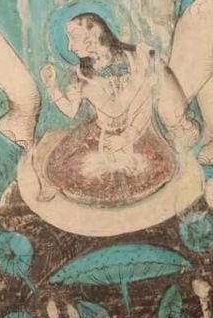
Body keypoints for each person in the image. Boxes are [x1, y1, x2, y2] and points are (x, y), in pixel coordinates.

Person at [37, 13, 179, 207]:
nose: (70, 46)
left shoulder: (136, 57)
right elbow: (71, 110)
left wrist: (127, 137)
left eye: (73, 38)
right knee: (71, 167)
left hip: (136, 131)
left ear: (92, 37)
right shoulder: (82, 75)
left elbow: (140, 105)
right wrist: (52, 87)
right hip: (101, 132)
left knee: (146, 168)